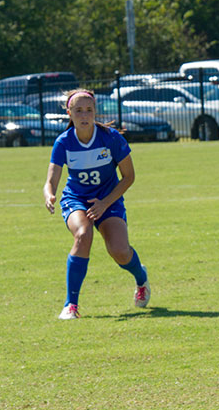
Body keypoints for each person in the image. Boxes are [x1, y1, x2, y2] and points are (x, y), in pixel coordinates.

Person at [43, 89, 151, 320]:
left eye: (89, 110)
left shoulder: (111, 138)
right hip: (76, 198)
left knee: (120, 251)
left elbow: (129, 177)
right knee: (83, 235)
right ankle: (70, 304)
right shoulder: (63, 142)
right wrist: (49, 194)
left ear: (95, 112)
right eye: (78, 110)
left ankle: (141, 279)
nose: (84, 115)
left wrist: (104, 203)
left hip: (108, 199)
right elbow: (51, 179)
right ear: (69, 112)